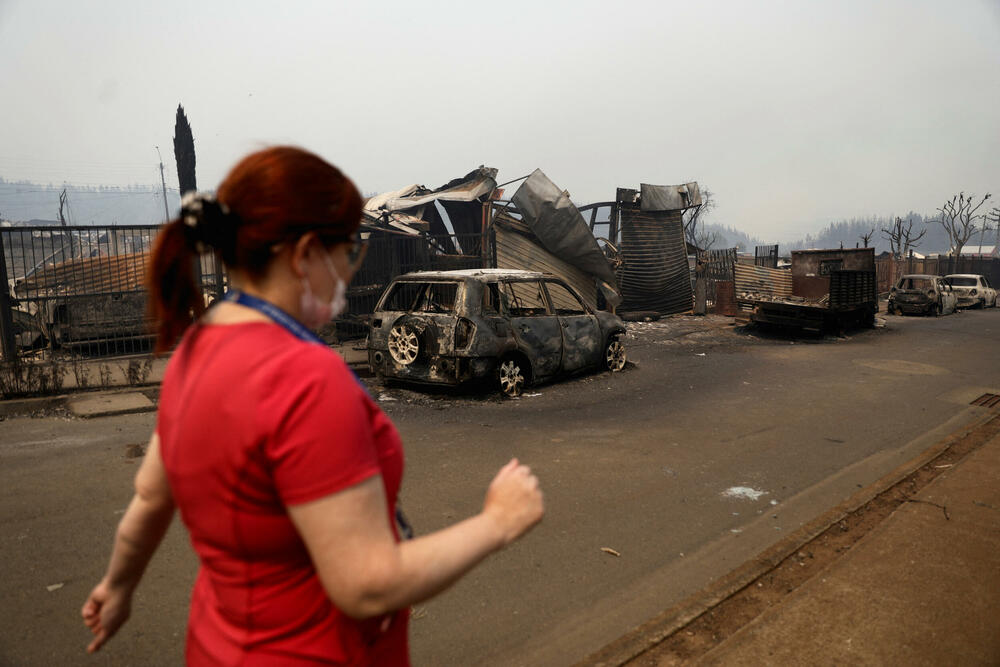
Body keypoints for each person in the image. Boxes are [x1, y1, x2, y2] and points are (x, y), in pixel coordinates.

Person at [81, 146, 544, 665]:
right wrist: (497, 522)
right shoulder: (308, 380)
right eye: (347, 253)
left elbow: (148, 501)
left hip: (217, 645)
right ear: (304, 255)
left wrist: (118, 588)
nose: (348, 272)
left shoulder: (197, 350)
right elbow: (365, 586)